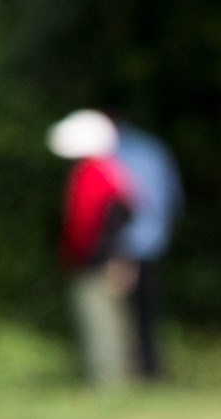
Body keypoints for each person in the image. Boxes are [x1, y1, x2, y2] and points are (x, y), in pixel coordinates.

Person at [49, 110, 137, 388]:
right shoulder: (110, 171)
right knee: (113, 324)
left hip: (94, 263)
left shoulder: (92, 174)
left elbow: (84, 225)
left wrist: (85, 257)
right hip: (107, 259)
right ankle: (116, 382)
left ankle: (108, 385)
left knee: (101, 326)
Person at [108, 117, 183, 381]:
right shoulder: (154, 148)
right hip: (155, 240)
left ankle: (129, 373)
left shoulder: (113, 154)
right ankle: (151, 370)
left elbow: (117, 200)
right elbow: (174, 196)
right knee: (148, 311)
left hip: (124, 244)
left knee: (119, 312)